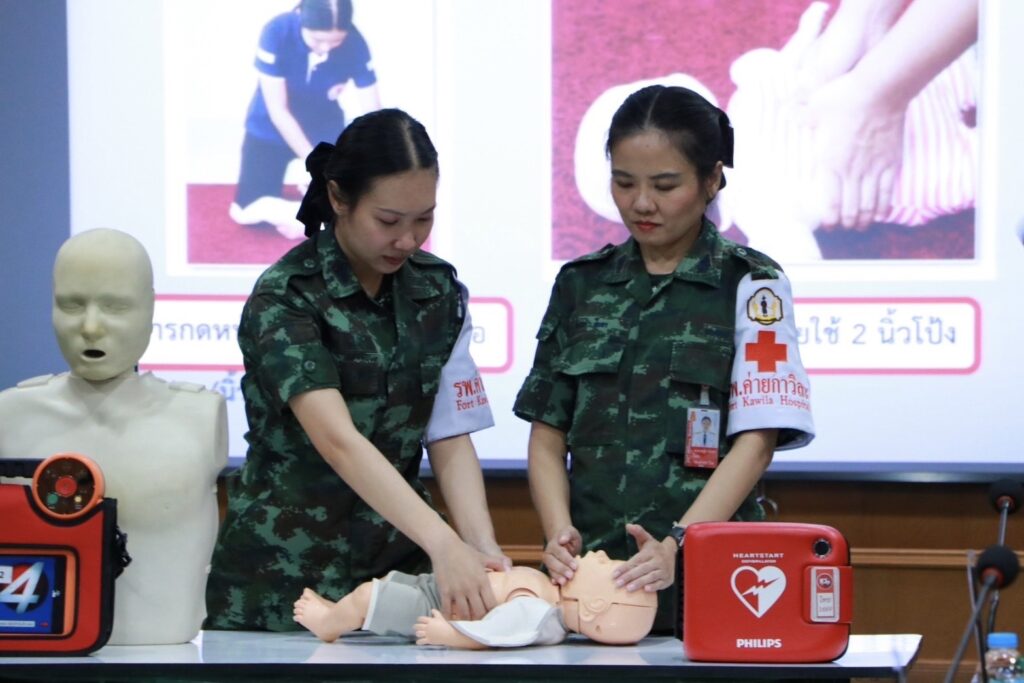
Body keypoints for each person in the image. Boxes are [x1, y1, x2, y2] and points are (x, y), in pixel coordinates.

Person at [514, 85, 816, 632]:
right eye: (624, 182)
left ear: (712, 179)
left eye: (665, 185)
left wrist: (679, 543)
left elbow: (757, 441)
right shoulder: (581, 284)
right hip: (592, 583)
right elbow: (547, 432)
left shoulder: (753, 283)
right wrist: (558, 532)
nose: (641, 203)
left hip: (712, 576)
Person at [205, 108, 507, 632]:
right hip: (282, 580)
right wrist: (443, 541)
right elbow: (338, 441)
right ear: (339, 198)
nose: (408, 240)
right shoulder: (287, 297)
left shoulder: (437, 291)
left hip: (397, 573)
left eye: (424, 219)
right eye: (388, 221)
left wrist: (478, 546)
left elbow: (450, 434)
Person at [0, 228, 228, 645]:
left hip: (164, 651)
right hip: (38, 653)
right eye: (71, 305)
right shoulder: (10, 414)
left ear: (150, 308)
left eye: (116, 307)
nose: (90, 327)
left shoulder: (200, 413)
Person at [228, 0, 381, 239]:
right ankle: (312, 217)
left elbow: (374, 115)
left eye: (336, 41)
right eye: (317, 40)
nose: (325, 48)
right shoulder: (276, 32)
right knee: (244, 212)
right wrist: (316, 164)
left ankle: (312, 217)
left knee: (353, 196)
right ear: (300, 16)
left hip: (323, 126)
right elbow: (278, 110)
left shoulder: (355, 41)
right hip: (270, 128)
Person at [292, 550, 656, 648]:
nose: (600, 553)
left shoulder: (539, 612)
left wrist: (450, 634)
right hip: (439, 587)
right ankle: (338, 614)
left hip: (437, 609)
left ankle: (328, 625)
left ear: (593, 606)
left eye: (606, 564)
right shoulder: (548, 592)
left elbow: (497, 634)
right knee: (386, 585)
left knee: (368, 596)